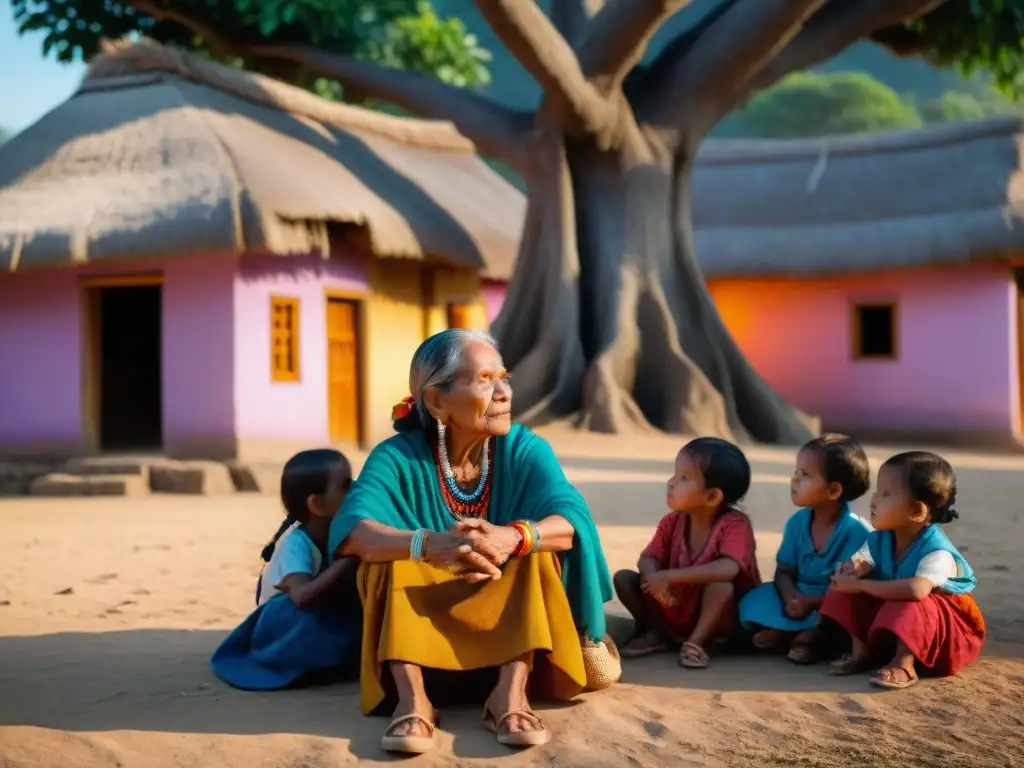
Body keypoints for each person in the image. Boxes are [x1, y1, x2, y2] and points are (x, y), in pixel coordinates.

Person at [327, 329, 617, 755]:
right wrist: (426, 545)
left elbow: (571, 518)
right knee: (387, 560)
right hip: (422, 631)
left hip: (508, 626)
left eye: (504, 377)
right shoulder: (396, 457)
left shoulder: (524, 449)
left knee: (534, 552)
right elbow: (354, 530)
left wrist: (514, 537)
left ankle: (510, 693)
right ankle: (413, 700)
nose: (503, 393)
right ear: (436, 402)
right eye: (484, 379)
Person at [822, 451, 985, 690]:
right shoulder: (880, 539)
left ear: (917, 511)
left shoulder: (937, 552)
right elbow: (864, 561)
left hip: (944, 638)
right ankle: (861, 652)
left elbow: (916, 590)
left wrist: (859, 584)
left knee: (908, 597)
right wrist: (855, 570)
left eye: (886, 494)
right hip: (897, 625)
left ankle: (904, 662)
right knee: (846, 589)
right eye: (877, 492)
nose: (874, 500)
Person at [211, 449, 361, 690]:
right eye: (345, 485)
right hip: (283, 626)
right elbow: (301, 597)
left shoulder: (338, 532)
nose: (355, 489)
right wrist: (348, 559)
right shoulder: (295, 543)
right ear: (318, 504)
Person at [613, 437, 761, 669]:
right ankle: (656, 632)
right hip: (673, 603)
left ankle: (696, 643)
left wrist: (669, 577)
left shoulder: (735, 525)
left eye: (684, 478)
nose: (671, 483)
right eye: (674, 474)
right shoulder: (672, 522)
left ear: (712, 496)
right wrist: (653, 577)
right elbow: (648, 557)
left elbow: (728, 569)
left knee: (720, 585)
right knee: (624, 578)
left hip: (721, 617)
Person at [739, 434, 872, 663]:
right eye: (796, 472)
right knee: (753, 600)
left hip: (831, 601)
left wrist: (810, 603)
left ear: (833, 491)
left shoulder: (858, 532)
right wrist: (791, 595)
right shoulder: (797, 522)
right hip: (797, 595)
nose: (794, 480)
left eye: (805, 475)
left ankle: (800, 639)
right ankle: (791, 633)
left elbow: (854, 587)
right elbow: (784, 569)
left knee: (840, 614)